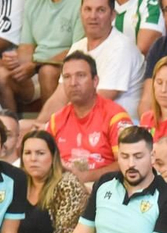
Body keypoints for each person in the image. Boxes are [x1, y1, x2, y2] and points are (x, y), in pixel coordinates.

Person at [0, 0, 84, 111]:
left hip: (67, 70)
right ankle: (11, 130)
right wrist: (18, 62)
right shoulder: (33, 0)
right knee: (1, 74)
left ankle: (50, 130)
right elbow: (26, 47)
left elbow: (78, 50)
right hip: (37, 68)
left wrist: (36, 65)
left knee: (48, 71)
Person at [46, 0, 146, 121]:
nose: (93, 16)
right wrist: (39, 124)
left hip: (119, 131)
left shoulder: (121, 48)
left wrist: (57, 124)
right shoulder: (77, 47)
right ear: (80, 12)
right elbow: (59, 97)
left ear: (112, 15)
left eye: (100, 10)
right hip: (86, 126)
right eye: (88, 9)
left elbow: (97, 101)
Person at [45, 51, 132, 185]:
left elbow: (128, 163)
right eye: (67, 77)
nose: (73, 83)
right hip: (61, 185)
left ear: (95, 81)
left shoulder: (115, 116)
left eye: (81, 75)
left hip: (103, 186)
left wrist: (87, 176)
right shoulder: (56, 120)